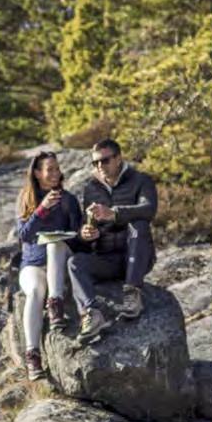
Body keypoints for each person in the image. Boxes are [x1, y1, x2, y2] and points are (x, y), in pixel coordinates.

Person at [68, 138, 157, 342]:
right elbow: (87, 224)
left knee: (139, 224)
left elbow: (149, 209)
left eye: (105, 160)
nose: (100, 166)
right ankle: (91, 314)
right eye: (95, 163)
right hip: (106, 259)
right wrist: (87, 233)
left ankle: (132, 292)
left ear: (118, 158)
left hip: (135, 257)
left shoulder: (141, 180)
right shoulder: (92, 188)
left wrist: (113, 214)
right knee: (74, 263)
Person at [15, 150, 82, 380]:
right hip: (32, 264)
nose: (55, 173)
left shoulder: (69, 200)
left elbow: (77, 236)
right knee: (34, 291)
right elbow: (23, 235)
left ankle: (56, 305)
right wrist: (41, 209)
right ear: (37, 173)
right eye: (49, 169)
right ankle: (32, 356)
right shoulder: (27, 198)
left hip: (59, 261)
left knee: (55, 244)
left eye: (57, 168)